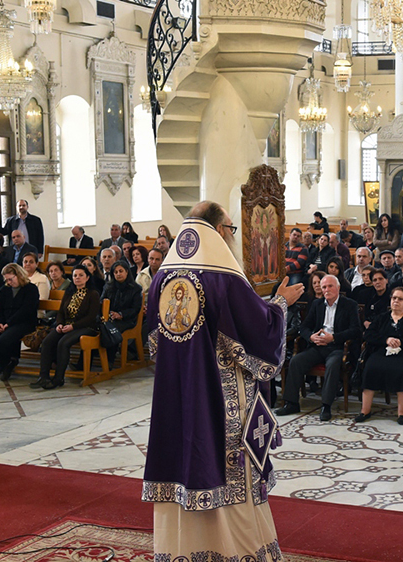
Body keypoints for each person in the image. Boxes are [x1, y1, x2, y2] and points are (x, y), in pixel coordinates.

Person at [143, 201, 302, 562]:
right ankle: (237, 552)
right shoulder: (223, 278)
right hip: (221, 398)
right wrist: (281, 303)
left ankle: (180, 550)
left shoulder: (162, 279)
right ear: (217, 231)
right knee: (227, 468)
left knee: (181, 459)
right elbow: (259, 333)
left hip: (175, 395)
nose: (232, 236)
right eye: (230, 229)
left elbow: (155, 342)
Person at [276, 275, 361, 421]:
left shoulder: (349, 304)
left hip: (338, 347)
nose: (327, 290)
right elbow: (304, 327)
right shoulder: (317, 304)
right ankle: (291, 403)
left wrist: (333, 337)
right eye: (324, 287)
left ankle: (326, 405)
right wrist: (311, 337)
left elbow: (356, 330)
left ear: (338, 288)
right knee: (296, 361)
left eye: (330, 286)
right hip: (318, 346)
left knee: (333, 364)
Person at [354, 286, 403, 425]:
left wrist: (401, 341)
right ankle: (365, 410)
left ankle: (402, 413)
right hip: (382, 351)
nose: (396, 301)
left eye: (400, 299)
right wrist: (386, 340)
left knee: (402, 370)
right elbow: (368, 334)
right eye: (394, 298)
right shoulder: (382, 317)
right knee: (370, 368)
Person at [33, 265, 101, 390]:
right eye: (75, 275)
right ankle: (43, 377)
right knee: (47, 341)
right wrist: (59, 324)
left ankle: (59, 378)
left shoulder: (93, 294)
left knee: (63, 343)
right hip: (66, 325)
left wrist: (73, 326)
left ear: (87, 278)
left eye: (81, 275)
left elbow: (91, 317)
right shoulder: (69, 292)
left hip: (86, 327)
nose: (77, 278)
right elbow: (60, 312)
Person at [0, 263, 39, 381]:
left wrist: (8, 323)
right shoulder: (5, 289)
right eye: (6, 280)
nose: (9, 282)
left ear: (19, 275)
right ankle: (6, 362)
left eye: (11, 279)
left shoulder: (31, 289)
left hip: (23, 322)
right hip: (4, 322)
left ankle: (5, 363)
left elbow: (26, 310)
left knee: (2, 341)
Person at [100, 260, 143, 360]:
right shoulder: (108, 287)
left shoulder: (136, 288)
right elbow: (101, 302)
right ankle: (95, 357)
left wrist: (120, 314)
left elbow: (135, 309)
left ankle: (109, 360)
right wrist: (109, 313)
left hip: (127, 320)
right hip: (109, 317)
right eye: (115, 272)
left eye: (121, 271)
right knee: (98, 327)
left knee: (111, 329)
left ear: (126, 272)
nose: (118, 274)